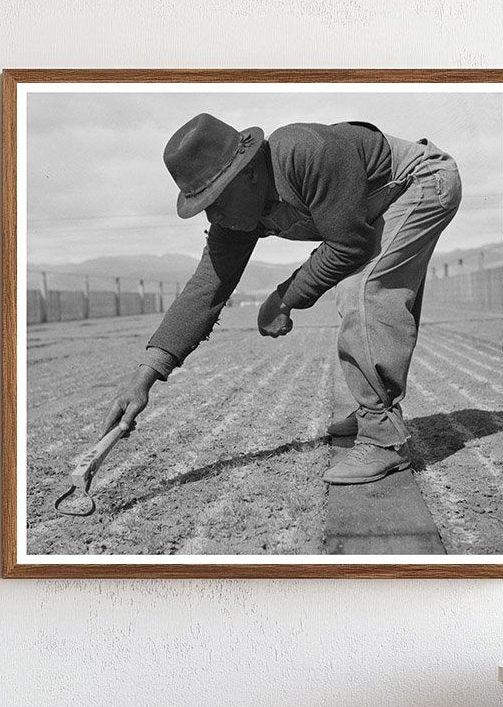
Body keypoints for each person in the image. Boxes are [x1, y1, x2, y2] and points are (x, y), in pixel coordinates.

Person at [103, 112, 462, 484]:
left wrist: (284, 298)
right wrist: (143, 378)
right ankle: (373, 412)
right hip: (376, 208)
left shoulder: (309, 153)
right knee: (364, 286)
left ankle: (383, 439)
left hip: (422, 181)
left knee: (363, 290)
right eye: (203, 203)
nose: (213, 215)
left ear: (250, 173)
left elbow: (348, 244)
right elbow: (204, 290)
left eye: (216, 198)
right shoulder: (237, 211)